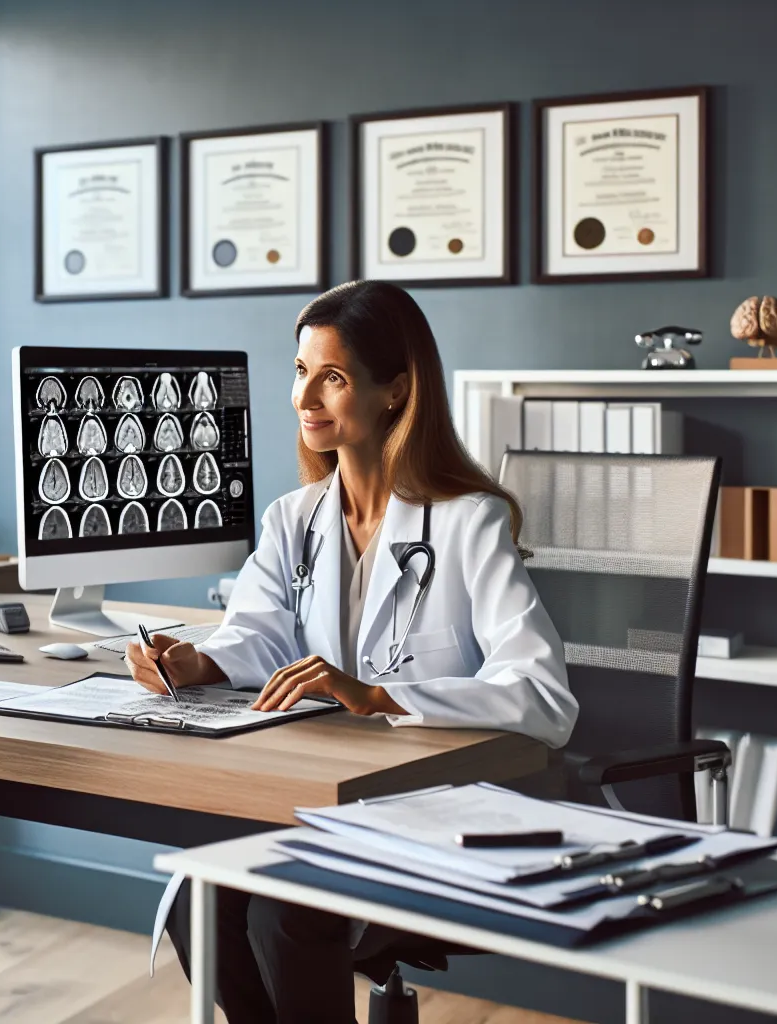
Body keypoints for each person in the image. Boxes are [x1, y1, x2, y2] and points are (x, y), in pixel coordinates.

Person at [125, 279, 577, 1023]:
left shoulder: (469, 522)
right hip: (330, 804)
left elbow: (544, 696)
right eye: (301, 371)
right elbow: (257, 630)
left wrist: (379, 694)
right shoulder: (293, 517)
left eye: (332, 377)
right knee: (197, 900)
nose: (305, 397)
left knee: (285, 913)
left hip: (444, 813)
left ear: (395, 390)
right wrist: (197, 663)